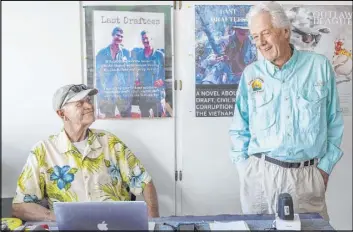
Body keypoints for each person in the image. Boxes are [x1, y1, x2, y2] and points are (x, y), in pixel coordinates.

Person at [228, 1, 344, 221]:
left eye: (266, 33)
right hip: (260, 177)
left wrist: (324, 170)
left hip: (307, 178)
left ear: (285, 32)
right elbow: (238, 128)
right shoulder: (251, 74)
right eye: (255, 37)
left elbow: (334, 122)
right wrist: (245, 170)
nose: (260, 42)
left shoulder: (319, 67)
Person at [12, 84, 159, 221]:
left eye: (88, 100)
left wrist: (153, 221)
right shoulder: (43, 151)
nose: (89, 106)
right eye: (80, 103)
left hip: (115, 224)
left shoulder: (109, 142)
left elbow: (144, 181)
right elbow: (20, 207)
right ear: (62, 113)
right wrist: (60, 219)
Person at [96, 27, 134, 118]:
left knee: (127, 117)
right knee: (109, 118)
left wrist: (129, 90)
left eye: (121, 36)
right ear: (112, 35)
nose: (119, 38)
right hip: (108, 92)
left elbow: (131, 73)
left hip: (123, 92)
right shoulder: (102, 53)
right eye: (117, 35)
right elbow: (97, 74)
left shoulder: (126, 53)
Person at [132, 30, 166, 117]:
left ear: (151, 39)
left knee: (159, 121)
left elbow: (166, 73)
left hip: (157, 94)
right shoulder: (139, 55)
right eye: (143, 39)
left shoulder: (160, 55)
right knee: (144, 120)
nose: (145, 40)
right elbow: (136, 72)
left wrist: (162, 80)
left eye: (147, 38)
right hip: (144, 94)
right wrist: (137, 80)